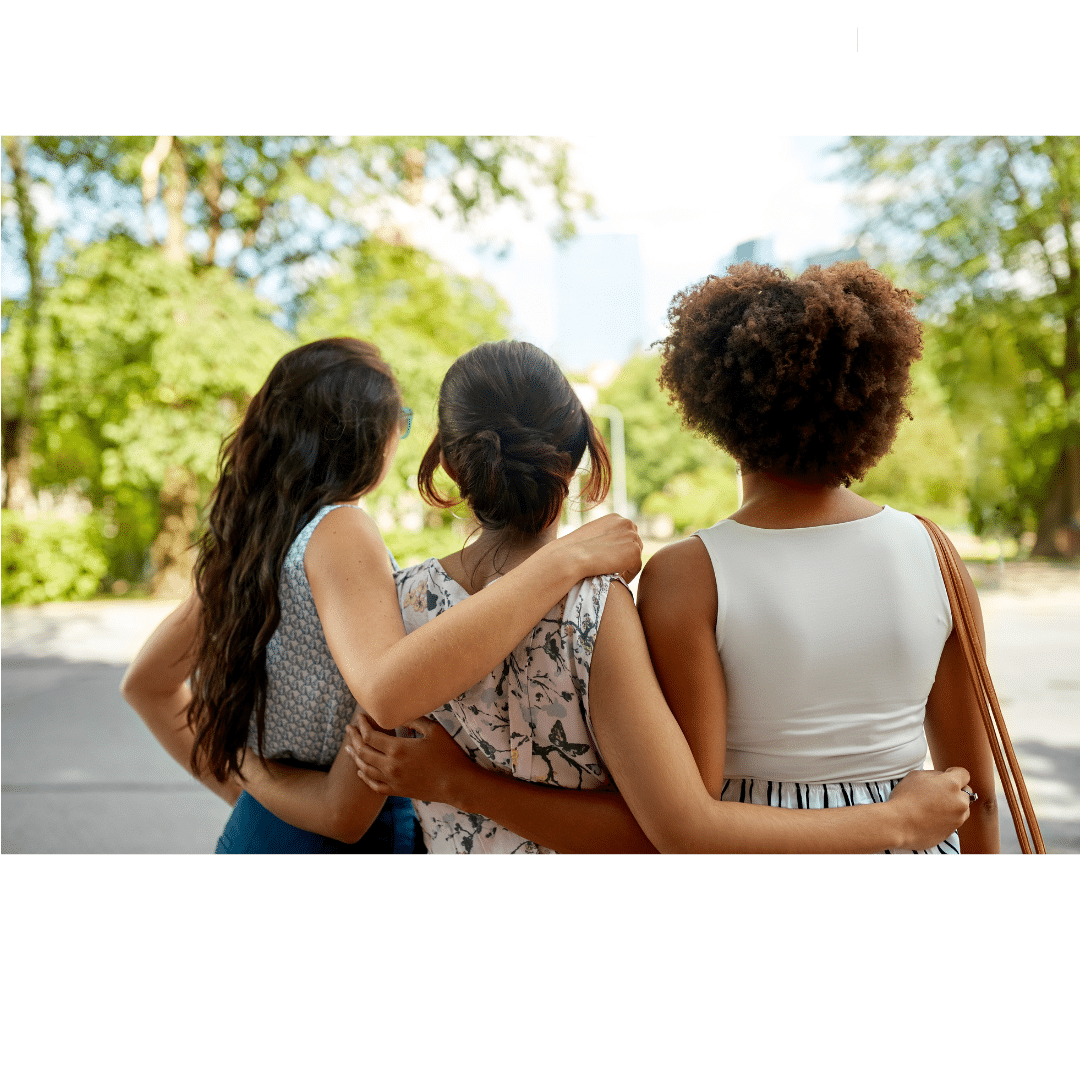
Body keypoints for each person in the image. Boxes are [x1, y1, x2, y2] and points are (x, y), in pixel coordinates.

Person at [261, 340, 973, 854]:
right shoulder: (595, 613)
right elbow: (664, 830)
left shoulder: (403, 602)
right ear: (577, 460)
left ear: (449, 464)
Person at [120, 337, 642, 854]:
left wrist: (248, 778)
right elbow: (349, 795)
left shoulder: (249, 543)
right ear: (374, 437)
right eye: (403, 420)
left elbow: (147, 684)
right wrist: (562, 559)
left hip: (264, 831)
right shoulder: (342, 531)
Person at [634, 261, 998, 853]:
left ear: (716, 406)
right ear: (871, 399)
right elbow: (975, 792)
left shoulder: (687, 574)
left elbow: (695, 813)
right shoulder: (934, 551)